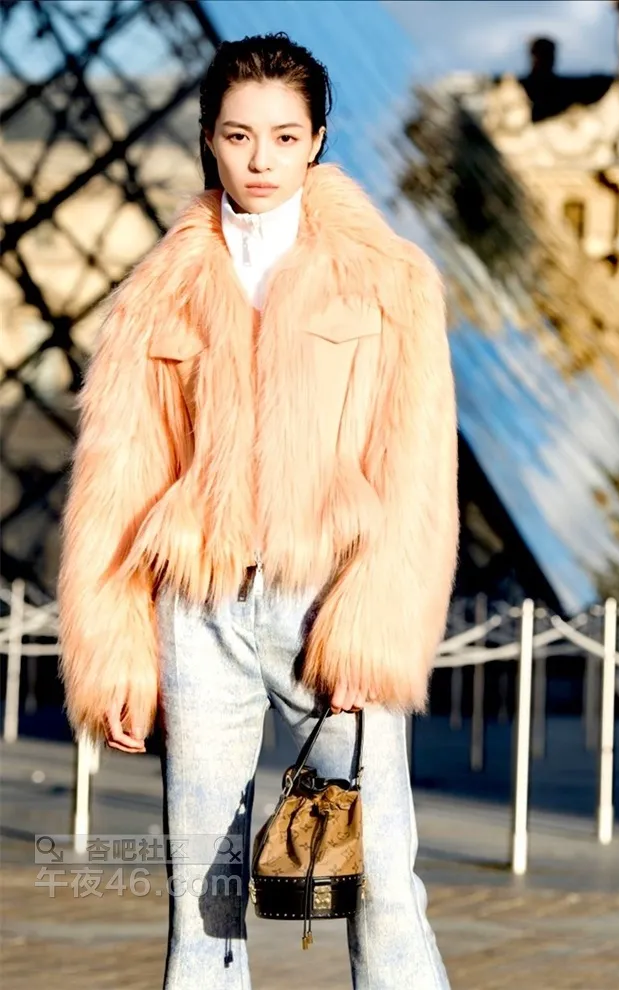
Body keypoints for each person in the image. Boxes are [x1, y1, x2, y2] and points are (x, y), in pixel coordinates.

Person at [57, 32, 459, 990]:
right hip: (197, 612)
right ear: (208, 138)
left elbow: (415, 469)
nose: (261, 159)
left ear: (317, 139)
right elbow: (118, 481)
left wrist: (373, 631)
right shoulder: (157, 293)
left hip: (330, 607)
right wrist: (119, 656)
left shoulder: (390, 279)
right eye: (239, 136)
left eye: (284, 136)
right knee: (204, 898)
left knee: (380, 885)